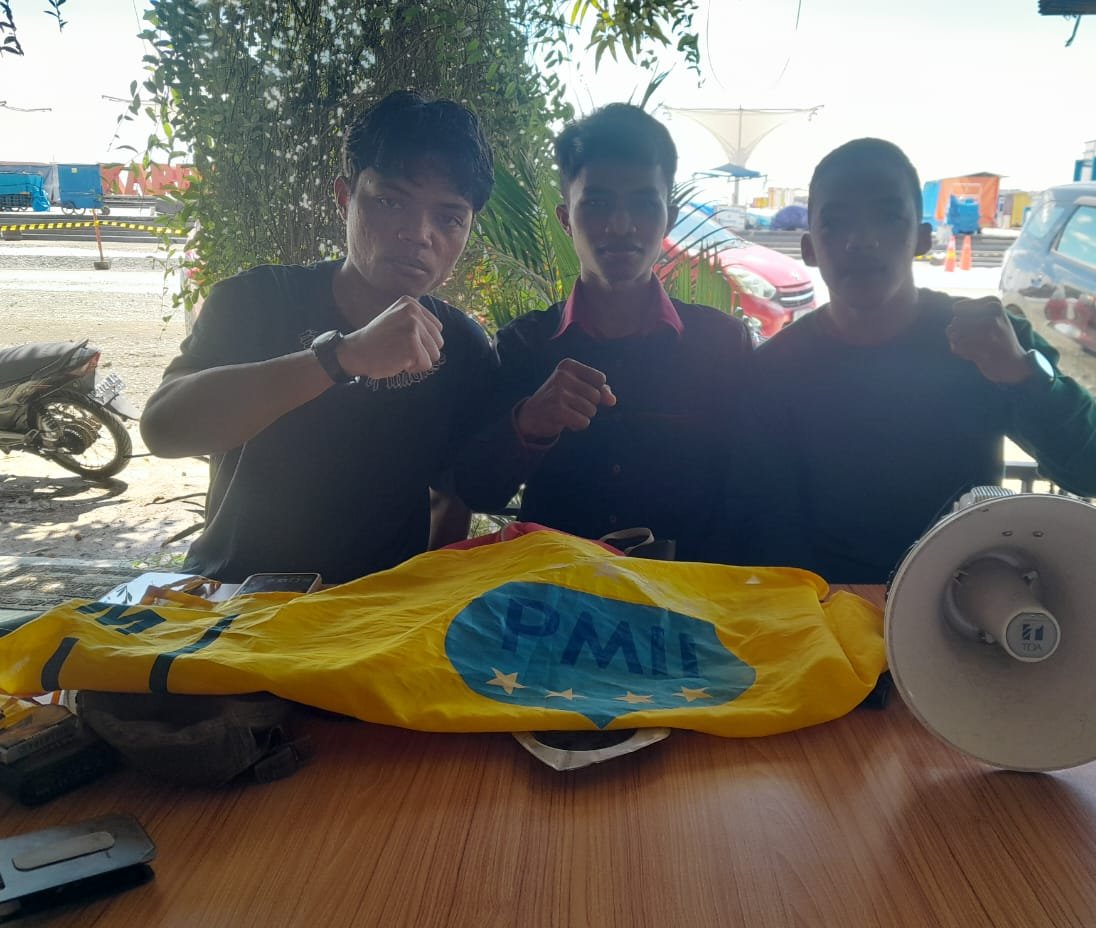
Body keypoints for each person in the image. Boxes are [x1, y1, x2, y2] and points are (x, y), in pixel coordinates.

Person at [730, 138, 1096, 585]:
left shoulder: (988, 338)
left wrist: (1023, 374)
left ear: (922, 238)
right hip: (820, 609)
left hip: (964, 604)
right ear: (809, 248)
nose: (861, 241)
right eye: (836, 223)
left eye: (888, 216)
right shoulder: (776, 369)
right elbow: (761, 528)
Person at [141, 91, 497, 584]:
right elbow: (163, 429)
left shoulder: (463, 345)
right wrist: (340, 356)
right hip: (237, 593)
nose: (419, 233)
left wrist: (420, 594)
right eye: (391, 201)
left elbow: (451, 496)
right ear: (345, 197)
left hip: (372, 611)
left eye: (449, 217)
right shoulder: (256, 300)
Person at [453, 104, 752, 561]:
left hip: (685, 592)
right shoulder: (525, 344)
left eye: (643, 203)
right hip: (555, 590)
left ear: (669, 217)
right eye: (596, 204)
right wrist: (530, 422)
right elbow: (477, 490)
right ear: (565, 218)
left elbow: (749, 495)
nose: (620, 225)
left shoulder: (721, 345)